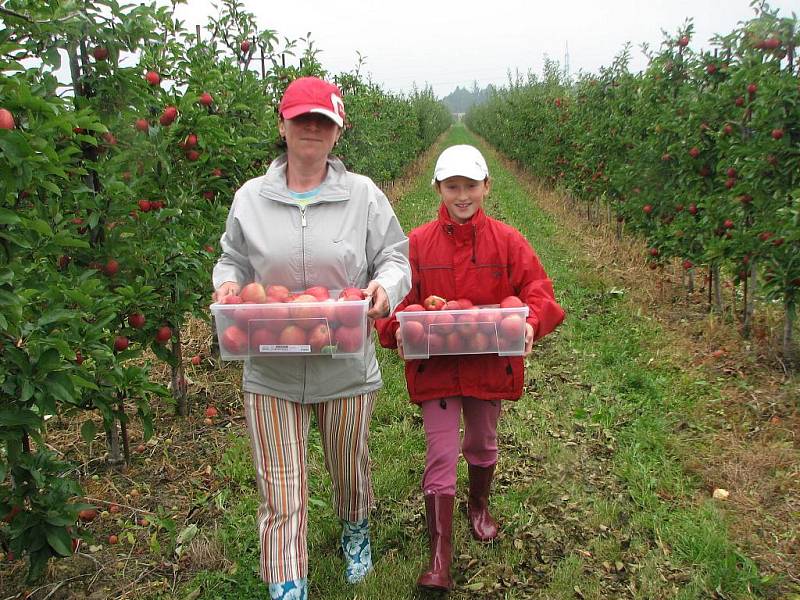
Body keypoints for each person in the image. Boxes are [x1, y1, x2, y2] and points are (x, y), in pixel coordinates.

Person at [212, 76, 411, 600]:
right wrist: (228, 283)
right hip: (270, 364)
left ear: (337, 131)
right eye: (301, 119)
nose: (311, 129)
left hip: (342, 361)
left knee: (349, 464)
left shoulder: (363, 195)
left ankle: (355, 530)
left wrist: (385, 289)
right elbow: (231, 257)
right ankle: (286, 577)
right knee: (280, 482)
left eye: (322, 121)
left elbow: (394, 255)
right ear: (283, 124)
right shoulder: (250, 198)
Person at [375, 144, 565, 592]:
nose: (462, 196)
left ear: (486, 187)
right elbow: (392, 298)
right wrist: (394, 330)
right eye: (452, 187)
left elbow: (538, 288)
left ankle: (477, 505)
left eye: (471, 186)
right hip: (436, 369)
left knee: (482, 442)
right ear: (438, 188)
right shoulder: (417, 244)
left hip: (486, 365)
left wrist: (531, 323)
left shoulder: (507, 240)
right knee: (440, 452)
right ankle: (440, 553)